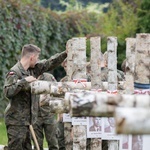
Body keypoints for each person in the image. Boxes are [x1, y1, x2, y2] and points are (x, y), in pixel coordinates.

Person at [3, 44, 67, 150]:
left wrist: (65, 53)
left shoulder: (32, 70)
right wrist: (24, 81)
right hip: (16, 122)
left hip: (29, 122)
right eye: (37, 57)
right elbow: (7, 91)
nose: (37, 60)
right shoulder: (14, 72)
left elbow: (49, 63)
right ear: (31, 57)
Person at [33, 72, 59, 150]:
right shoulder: (29, 77)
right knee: (37, 144)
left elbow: (57, 92)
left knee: (53, 142)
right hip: (35, 115)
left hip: (48, 114)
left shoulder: (49, 77)